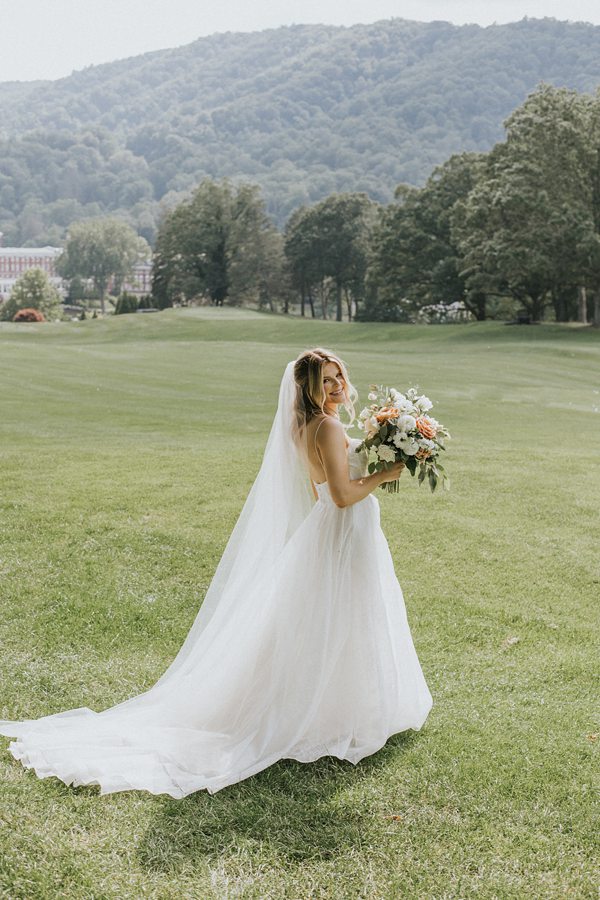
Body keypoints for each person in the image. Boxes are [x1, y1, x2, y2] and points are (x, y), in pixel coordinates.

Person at [0, 348, 433, 797]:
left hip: (330, 531)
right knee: (343, 618)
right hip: (341, 529)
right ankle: (333, 712)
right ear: (308, 388)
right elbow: (342, 495)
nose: (338, 385)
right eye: (326, 380)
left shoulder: (305, 426)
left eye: (339, 375)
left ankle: (333, 707)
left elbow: (319, 488)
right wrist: (387, 474)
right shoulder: (326, 426)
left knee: (330, 620)